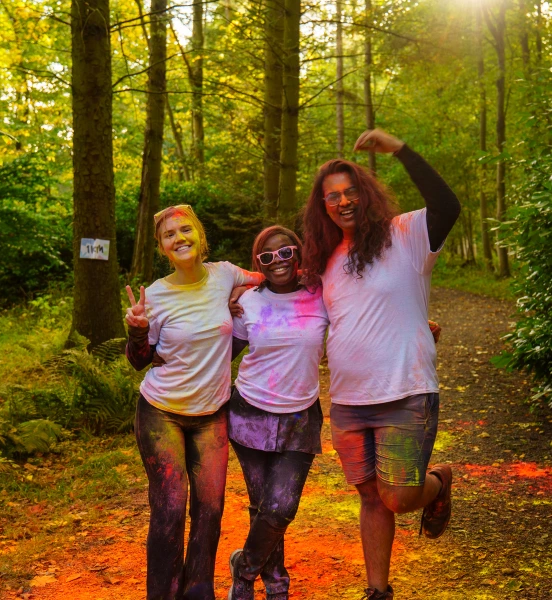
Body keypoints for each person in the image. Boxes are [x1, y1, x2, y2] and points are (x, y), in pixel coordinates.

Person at [300, 129, 461, 600]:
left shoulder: (407, 234)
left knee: (399, 497)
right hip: (349, 401)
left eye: (351, 192)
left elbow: (447, 205)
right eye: (333, 196)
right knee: (371, 498)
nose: (343, 201)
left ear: (366, 194)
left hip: (406, 390)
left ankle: (439, 482)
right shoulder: (325, 259)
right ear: (323, 206)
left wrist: (401, 150)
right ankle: (377, 590)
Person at [124, 204, 263, 600]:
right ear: (163, 248)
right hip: (161, 412)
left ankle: (199, 590)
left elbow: (270, 278)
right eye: (170, 235)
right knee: (170, 508)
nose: (179, 238)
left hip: (212, 414)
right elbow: (139, 362)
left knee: (210, 510)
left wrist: (242, 292)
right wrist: (137, 331)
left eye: (185, 230)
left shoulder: (225, 274)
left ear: (200, 237)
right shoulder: (156, 296)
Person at [225, 226, 328, 600]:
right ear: (258, 264)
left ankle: (244, 569)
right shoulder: (247, 301)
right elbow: (224, 354)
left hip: (301, 417)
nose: (278, 261)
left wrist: (413, 327)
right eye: (267, 257)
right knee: (263, 505)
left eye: (285, 252)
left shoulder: (321, 294)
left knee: (282, 506)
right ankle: (276, 586)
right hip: (249, 414)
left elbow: (361, 319)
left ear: (297, 253)